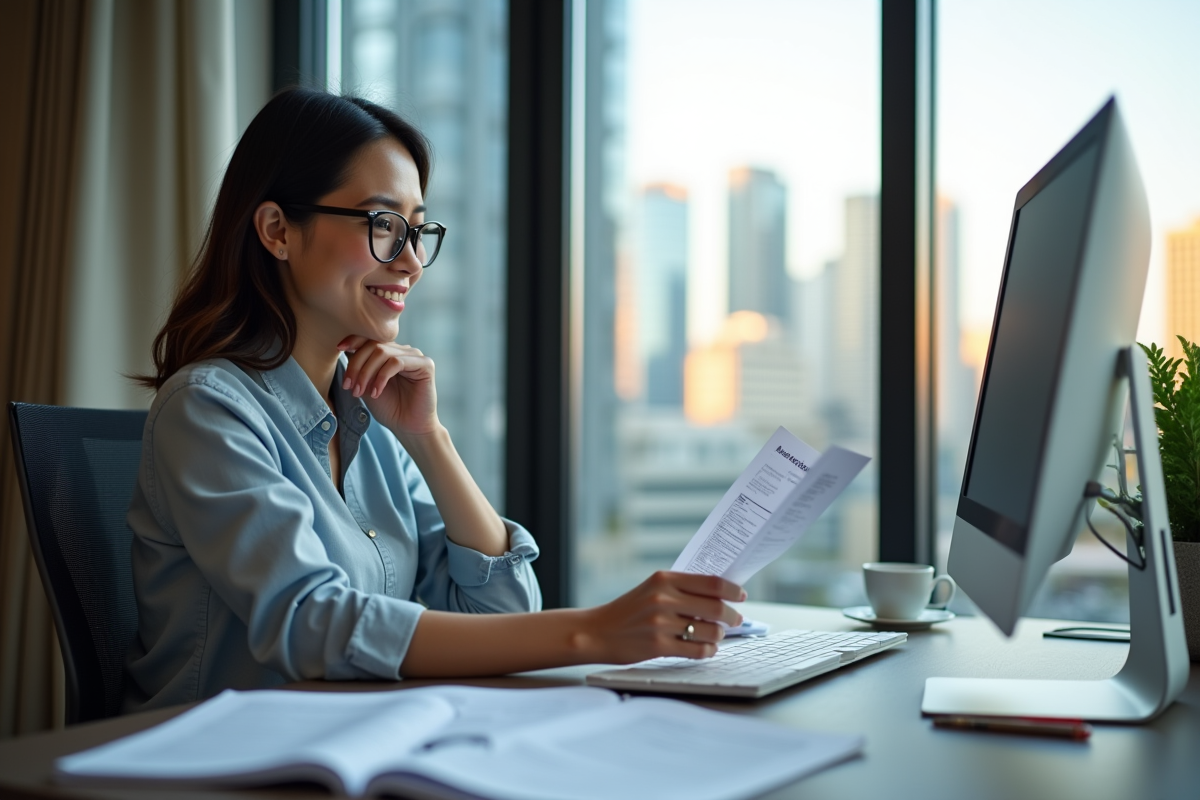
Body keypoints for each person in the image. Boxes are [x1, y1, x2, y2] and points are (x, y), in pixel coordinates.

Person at [124, 88, 744, 712]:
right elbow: (314, 625)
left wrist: (428, 438)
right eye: (384, 225)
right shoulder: (206, 410)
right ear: (278, 230)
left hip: (360, 736)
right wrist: (594, 632)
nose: (413, 262)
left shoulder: (367, 417)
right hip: (227, 752)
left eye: (417, 231)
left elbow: (502, 609)